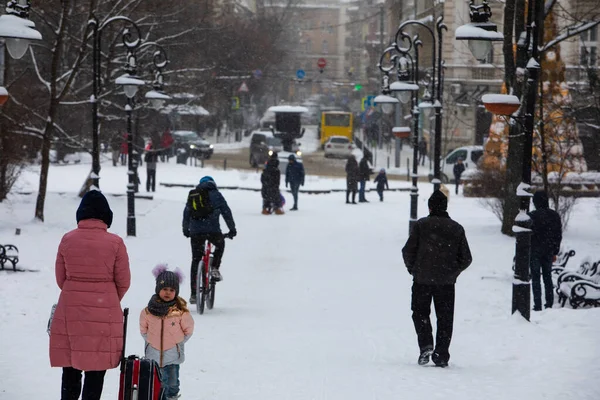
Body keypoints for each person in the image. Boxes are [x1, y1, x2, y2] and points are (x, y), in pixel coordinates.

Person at [50, 190, 131, 400]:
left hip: (70, 310)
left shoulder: (67, 239)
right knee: (96, 370)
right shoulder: (116, 243)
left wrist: (74, 292)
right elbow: (123, 281)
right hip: (104, 312)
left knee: (70, 368)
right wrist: (109, 298)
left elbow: (61, 278)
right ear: (107, 216)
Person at [401, 190, 472, 367]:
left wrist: (414, 269)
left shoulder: (421, 225)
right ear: (445, 207)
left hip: (422, 280)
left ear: (430, 207)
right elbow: (466, 258)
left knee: (420, 313)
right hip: (446, 283)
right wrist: (453, 272)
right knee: (445, 317)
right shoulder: (456, 228)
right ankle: (441, 354)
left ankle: (426, 344)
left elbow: (407, 250)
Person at [140, 265, 194, 400]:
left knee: (172, 382)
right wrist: (151, 341)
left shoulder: (181, 312)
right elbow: (143, 329)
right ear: (158, 289)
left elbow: (188, 330)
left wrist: (177, 342)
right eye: (164, 289)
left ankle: (172, 396)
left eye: (171, 290)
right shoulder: (148, 311)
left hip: (172, 355)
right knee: (157, 383)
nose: (168, 292)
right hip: (154, 353)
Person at [182, 176, 236, 303]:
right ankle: (215, 268)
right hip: (213, 231)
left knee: (196, 260)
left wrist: (186, 229)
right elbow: (226, 212)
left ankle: (194, 293)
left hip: (196, 233)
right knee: (220, 244)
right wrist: (232, 229)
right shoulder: (217, 195)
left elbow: (186, 213)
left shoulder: (194, 194)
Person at [528, 190, 562, 311]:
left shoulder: (532, 216)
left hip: (535, 251)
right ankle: (549, 303)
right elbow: (558, 235)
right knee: (547, 277)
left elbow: (528, 235)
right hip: (548, 250)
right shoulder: (554, 215)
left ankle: (537, 304)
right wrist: (555, 251)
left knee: (536, 278)